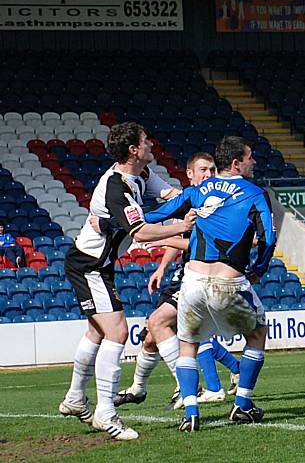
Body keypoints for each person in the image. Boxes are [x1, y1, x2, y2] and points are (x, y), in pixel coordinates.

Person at [58, 122, 196, 441]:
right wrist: (180, 227)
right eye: (146, 141)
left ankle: (75, 399)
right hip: (90, 265)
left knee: (97, 331)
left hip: (96, 264)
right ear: (133, 150)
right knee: (117, 331)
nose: (151, 144)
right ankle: (106, 413)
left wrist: (205, 201)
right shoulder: (117, 187)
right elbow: (141, 232)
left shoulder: (141, 175)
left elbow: (171, 195)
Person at [142, 136, 276, 432]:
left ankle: (191, 412)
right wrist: (260, 270)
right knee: (258, 332)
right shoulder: (254, 193)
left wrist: (120, 222)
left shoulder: (197, 191)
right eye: (250, 157)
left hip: (191, 281)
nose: (254, 161)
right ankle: (242, 405)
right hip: (227, 282)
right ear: (236, 163)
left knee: (188, 342)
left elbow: (158, 215)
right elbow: (268, 237)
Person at [112, 152, 240, 409]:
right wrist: (161, 267)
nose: (209, 175)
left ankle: (199, 388)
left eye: (213, 170)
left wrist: (159, 239)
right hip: (183, 275)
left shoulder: (215, 205)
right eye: (204, 169)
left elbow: (191, 242)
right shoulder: (188, 200)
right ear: (189, 174)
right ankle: (139, 388)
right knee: (153, 335)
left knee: (170, 326)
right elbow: (180, 233)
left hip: (204, 277)